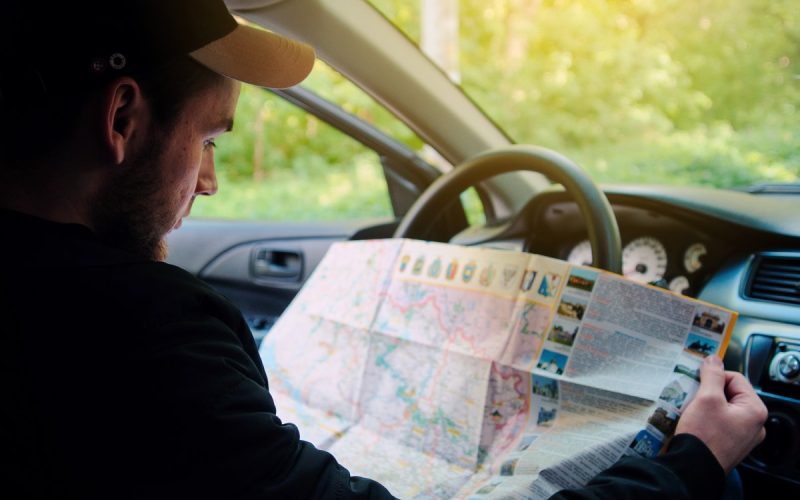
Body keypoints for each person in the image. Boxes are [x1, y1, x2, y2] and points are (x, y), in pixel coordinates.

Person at [0, 1, 766, 499]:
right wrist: (691, 464)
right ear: (123, 118)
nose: (208, 182)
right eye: (205, 138)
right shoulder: (142, 333)